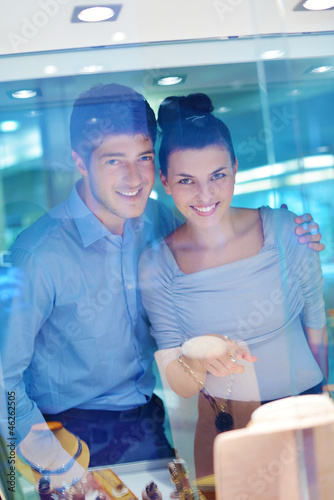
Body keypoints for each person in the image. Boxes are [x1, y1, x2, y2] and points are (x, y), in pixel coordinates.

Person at [0, 84, 324, 488]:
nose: (134, 177)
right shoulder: (38, 256)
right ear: (79, 162)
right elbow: (3, 380)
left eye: (145, 158)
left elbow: (216, 246)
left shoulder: (158, 221)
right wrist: (52, 461)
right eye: (114, 160)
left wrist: (299, 233)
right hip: (68, 432)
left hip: (148, 422)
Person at [138, 93, 328, 478]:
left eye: (218, 176)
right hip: (227, 428)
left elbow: (317, 330)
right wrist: (197, 352)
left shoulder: (288, 230)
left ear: (236, 168)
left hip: (305, 412)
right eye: (186, 181)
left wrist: (325, 401)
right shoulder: (156, 264)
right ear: (165, 182)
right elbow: (179, 382)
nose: (205, 195)